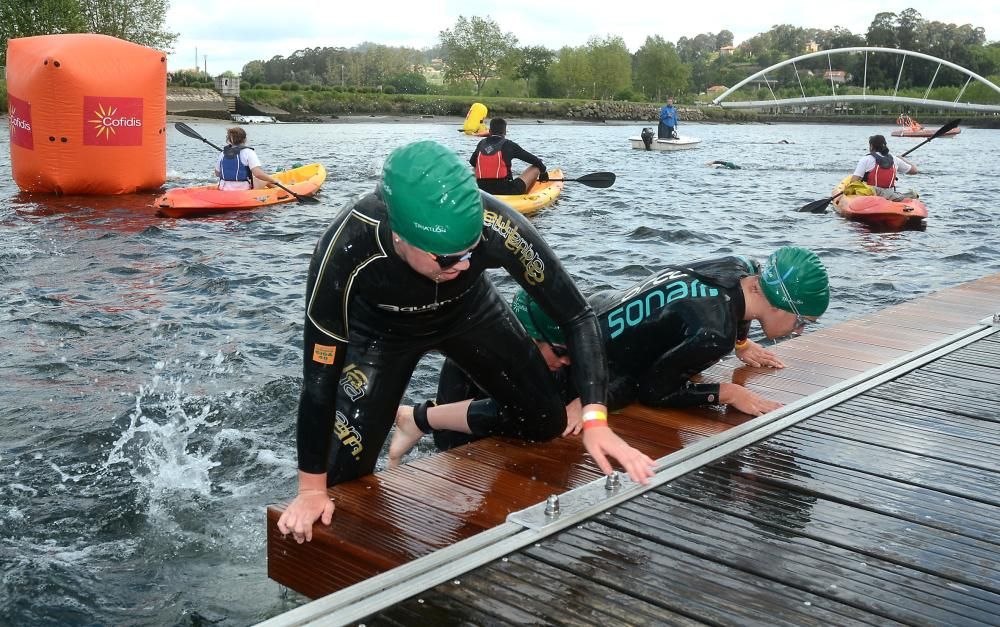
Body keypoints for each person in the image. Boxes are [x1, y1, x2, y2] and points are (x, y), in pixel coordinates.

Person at [276, 140, 655, 544]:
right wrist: (311, 491)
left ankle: (416, 419)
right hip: (382, 335)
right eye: (447, 258)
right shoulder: (345, 250)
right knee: (339, 480)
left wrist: (595, 416)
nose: (463, 264)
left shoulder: (497, 225)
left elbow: (576, 315)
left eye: (472, 252)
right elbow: (319, 381)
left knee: (546, 423)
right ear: (402, 237)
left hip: (469, 312)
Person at [388, 247, 830, 460]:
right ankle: (417, 419)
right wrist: (726, 395)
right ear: (777, 303)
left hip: (594, 316)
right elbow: (656, 389)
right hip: (593, 357)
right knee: (549, 417)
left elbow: (718, 303)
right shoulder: (714, 331)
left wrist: (742, 343)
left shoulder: (735, 267)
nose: (798, 330)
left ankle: (425, 419)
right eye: (800, 321)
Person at [470, 118, 547, 196]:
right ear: (505, 132)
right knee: (536, 167)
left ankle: (477, 192)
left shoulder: (481, 144)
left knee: (474, 167)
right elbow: (535, 160)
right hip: (506, 192)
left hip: (483, 191)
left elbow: (472, 162)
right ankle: (525, 197)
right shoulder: (509, 145)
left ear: (489, 131)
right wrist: (543, 172)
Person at [849, 134, 918, 201]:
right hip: (890, 195)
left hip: (871, 195)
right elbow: (914, 171)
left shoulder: (866, 159)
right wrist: (902, 159)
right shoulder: (895, 159)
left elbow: (853, 181)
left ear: (871, 146)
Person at [214, 127, 283, 191]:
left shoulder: (223, 153)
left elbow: (217, 173)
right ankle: (281, 191)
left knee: (256, 179)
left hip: (224, 188)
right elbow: (258, 174)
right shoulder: (248, 152)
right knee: (267, 179)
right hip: (243, 189)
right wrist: (273, 181)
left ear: (229, 140)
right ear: (245, 139)